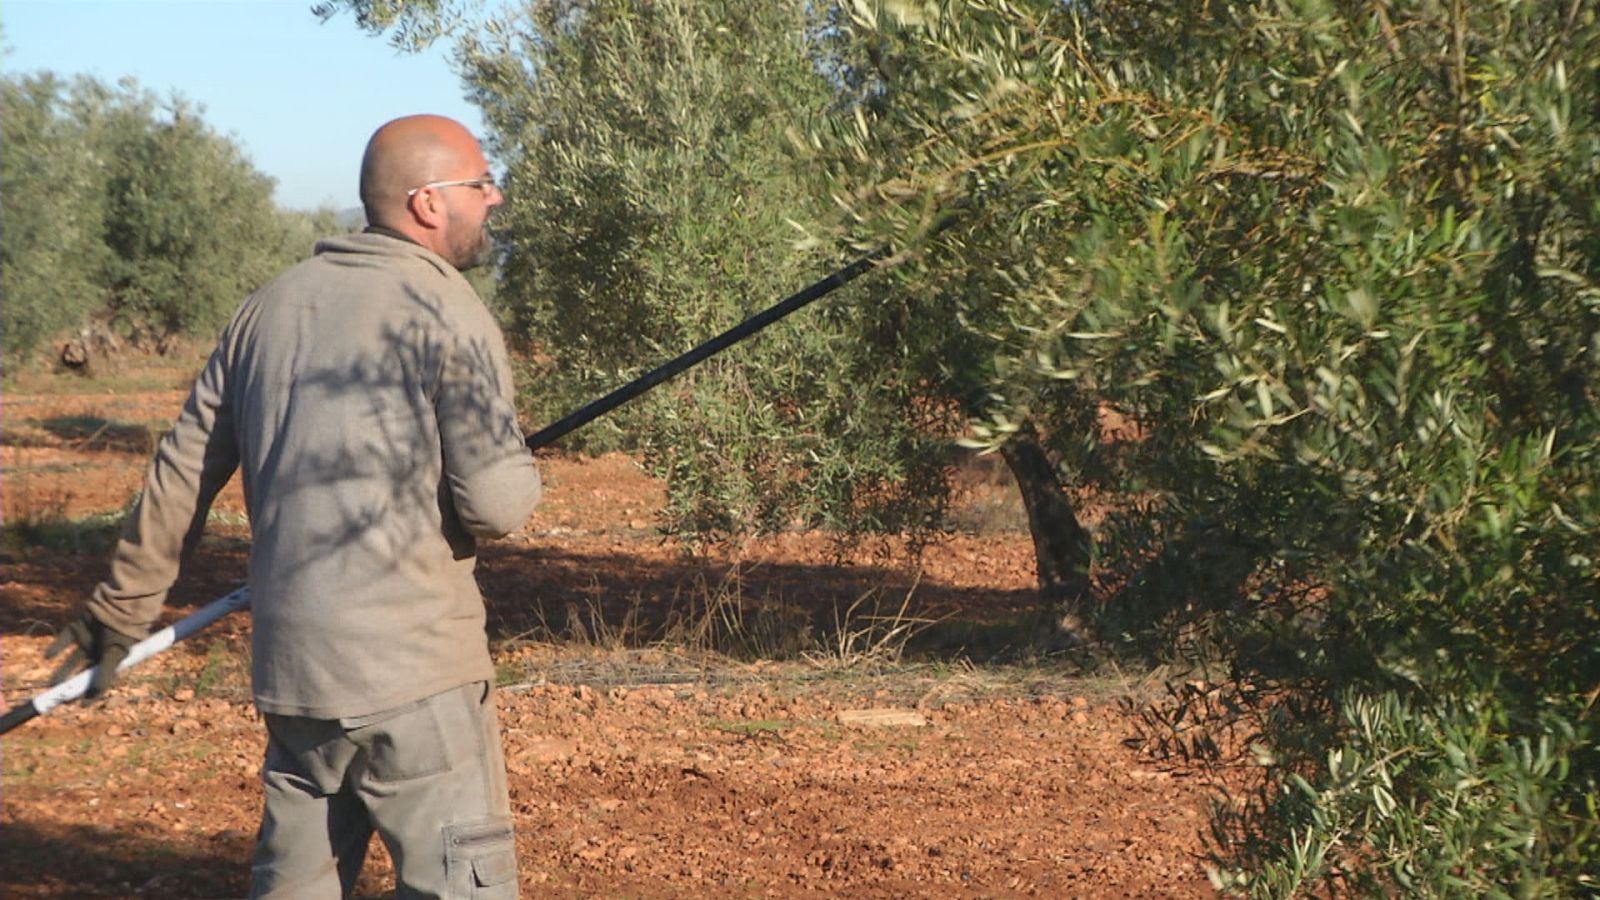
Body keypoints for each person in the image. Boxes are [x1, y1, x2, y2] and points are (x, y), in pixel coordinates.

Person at [45, 114, 543, 899]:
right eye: (480, 184)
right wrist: (511, 454)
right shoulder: (447, 309)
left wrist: (121, 611)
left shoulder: (265, 311)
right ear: (426, 202)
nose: (495, 197)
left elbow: (180, 472)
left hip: (296, 678)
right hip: (415, 675)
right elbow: (496, 504)